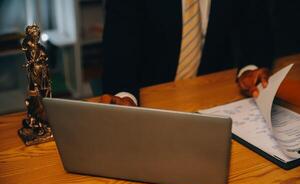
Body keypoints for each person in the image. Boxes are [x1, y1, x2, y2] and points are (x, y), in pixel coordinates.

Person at [100, 0, 274, 106]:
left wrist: (250, 68)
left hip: (215, 97)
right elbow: (118, 52)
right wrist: (124, 96)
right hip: (151, 99)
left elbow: (256, 28)